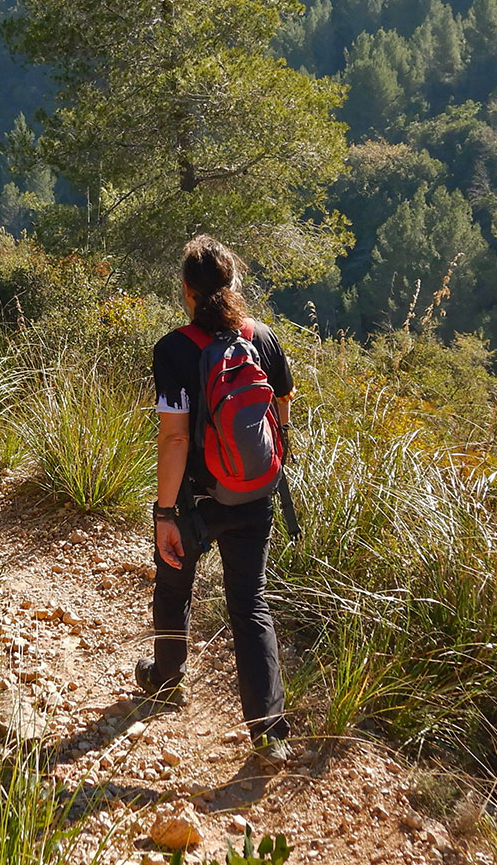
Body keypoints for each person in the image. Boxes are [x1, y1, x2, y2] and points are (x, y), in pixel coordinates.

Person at [137, 234, 295, 764]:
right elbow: (282, 413)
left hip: (196, 501)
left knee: (174, 580)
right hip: (256, 494)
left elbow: (175, 438)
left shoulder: (173, 350)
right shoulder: (264, 340)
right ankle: (270, 733)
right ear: (234, 286)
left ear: (186, 291)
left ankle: (165, 679)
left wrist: (165, 513)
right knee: (250, 602)